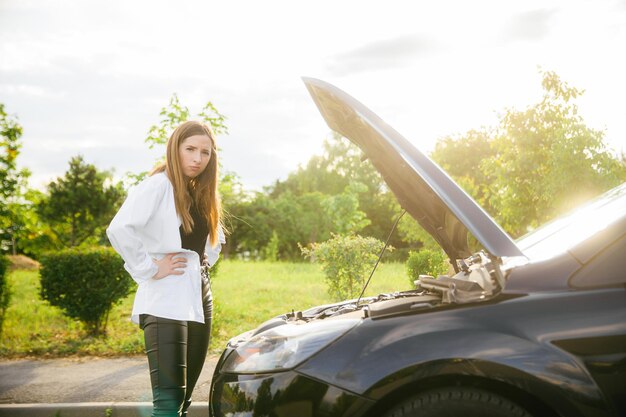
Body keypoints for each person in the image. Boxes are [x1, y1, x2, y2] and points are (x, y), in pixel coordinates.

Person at [107, 120, 225, 417]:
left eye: (205, 152)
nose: (198, 158)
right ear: (175, 149)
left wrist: (203, 261)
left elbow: (213, 239)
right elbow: (119, 229)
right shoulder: (159, 185)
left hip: (199, 295)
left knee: (183, 400)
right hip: (165, 299)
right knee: (168, 403)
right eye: (190, 149)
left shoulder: (200, 191)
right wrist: (148, 268)